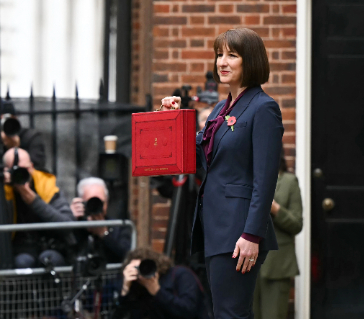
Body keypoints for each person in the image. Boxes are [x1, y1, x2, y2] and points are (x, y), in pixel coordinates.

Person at [161, 28, 283, 318]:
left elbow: (265, 180)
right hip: (216, 227)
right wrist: (173, 118)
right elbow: (195, 157)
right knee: (230, 313)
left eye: (232, 55)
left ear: (250, 61)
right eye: (219, 55)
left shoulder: (264, 108)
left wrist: (252, 235)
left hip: (239, 231)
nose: (222, 62)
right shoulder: (220, 108)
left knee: (230, 314)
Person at [2, 147, 75, 268]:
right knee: (23, 262)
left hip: (50, 246)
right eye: (17, 171)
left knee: (50, 259)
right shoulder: (2, 189)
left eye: (25, 169)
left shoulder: (46, 186)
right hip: (18, 250)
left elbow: (67, 225)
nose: (23, 174)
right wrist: (2, 187)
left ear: (32, 166)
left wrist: (33, 200)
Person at [253, 152, 303, 319]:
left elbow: (297, 224)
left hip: (277, 264)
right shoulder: (245, 180)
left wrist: (276, 210)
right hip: (246, 262)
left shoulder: (289, 182)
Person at [115, 247, 206, 319]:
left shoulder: (180, 275)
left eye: (144, 266)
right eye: (136, 268)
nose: (142, 272)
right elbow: (123, 315)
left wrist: (157, 291)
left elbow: (189, 311)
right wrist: (125, 289)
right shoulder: (137, 286)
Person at [70, 177, 132, 263]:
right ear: (81, 202)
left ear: (107, 202)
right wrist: (69, 219)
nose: (95, 206)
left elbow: (126, 255)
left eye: (100, 202)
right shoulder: (74, 224)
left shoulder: (119, 226)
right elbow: (64, 252)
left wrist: (104, 234)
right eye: (91, 202)